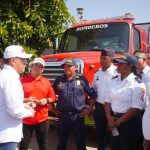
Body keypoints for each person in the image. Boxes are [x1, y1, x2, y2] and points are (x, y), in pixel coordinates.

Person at [53, 59, 97, 150]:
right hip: (63, 116)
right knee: (61, 142)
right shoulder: (59, 80)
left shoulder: (82, 80)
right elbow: (50, 94)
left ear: (75, 68)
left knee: (80, 142)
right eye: (65, 66)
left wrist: (89, 109)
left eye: (69, 66)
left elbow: (93, 95)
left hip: (78, 116)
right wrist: (54, 109)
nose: (67, 68)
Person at [104, 54, 145, 150]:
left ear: (130, 66)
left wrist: (118, 122)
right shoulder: (113, 80)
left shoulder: (137, 84)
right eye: (118, 63)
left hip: (129, 123)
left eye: (121, 63)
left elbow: (136, 109)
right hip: (113, 120)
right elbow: (107, 101)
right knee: (114, 147)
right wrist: (109, 118)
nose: (118, 65)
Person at [0, 45, 35, 150]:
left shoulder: (4, 75)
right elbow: (14, 110)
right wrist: (30, 112)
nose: (26, 62)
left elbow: (4, 102)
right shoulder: (11, 78)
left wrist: (23, 104)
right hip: (6, 135)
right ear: (13, 60)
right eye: (23, 59)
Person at [19, 58, 56, 150]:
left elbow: (53, 97)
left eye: (40, 66)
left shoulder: (46, 81)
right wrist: (25, 100)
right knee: (23, 145)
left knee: (43, 144)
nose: (37, 68)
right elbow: (13, 98)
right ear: (31, 66)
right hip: (26, 119)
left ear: (43, 69)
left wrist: (46, 100)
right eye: (35, 65)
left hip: (42, 119)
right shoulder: (21, 80)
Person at [92, 47, 117, 150]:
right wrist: (91, 107)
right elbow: (93, 90)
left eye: (104, 58)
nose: (101, 60)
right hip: (99, 108)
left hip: (113, 108)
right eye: (101, 58)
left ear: (111, 58)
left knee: (114, 133)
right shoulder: (97, 73)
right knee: (99, 134)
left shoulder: (117, 73)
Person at [133, 50, 150, 150]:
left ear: (144, 60)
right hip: (135, 113)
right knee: (137, 141)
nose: (133, 61)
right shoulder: (133, 75)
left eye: (136, 58)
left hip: (147, 113)